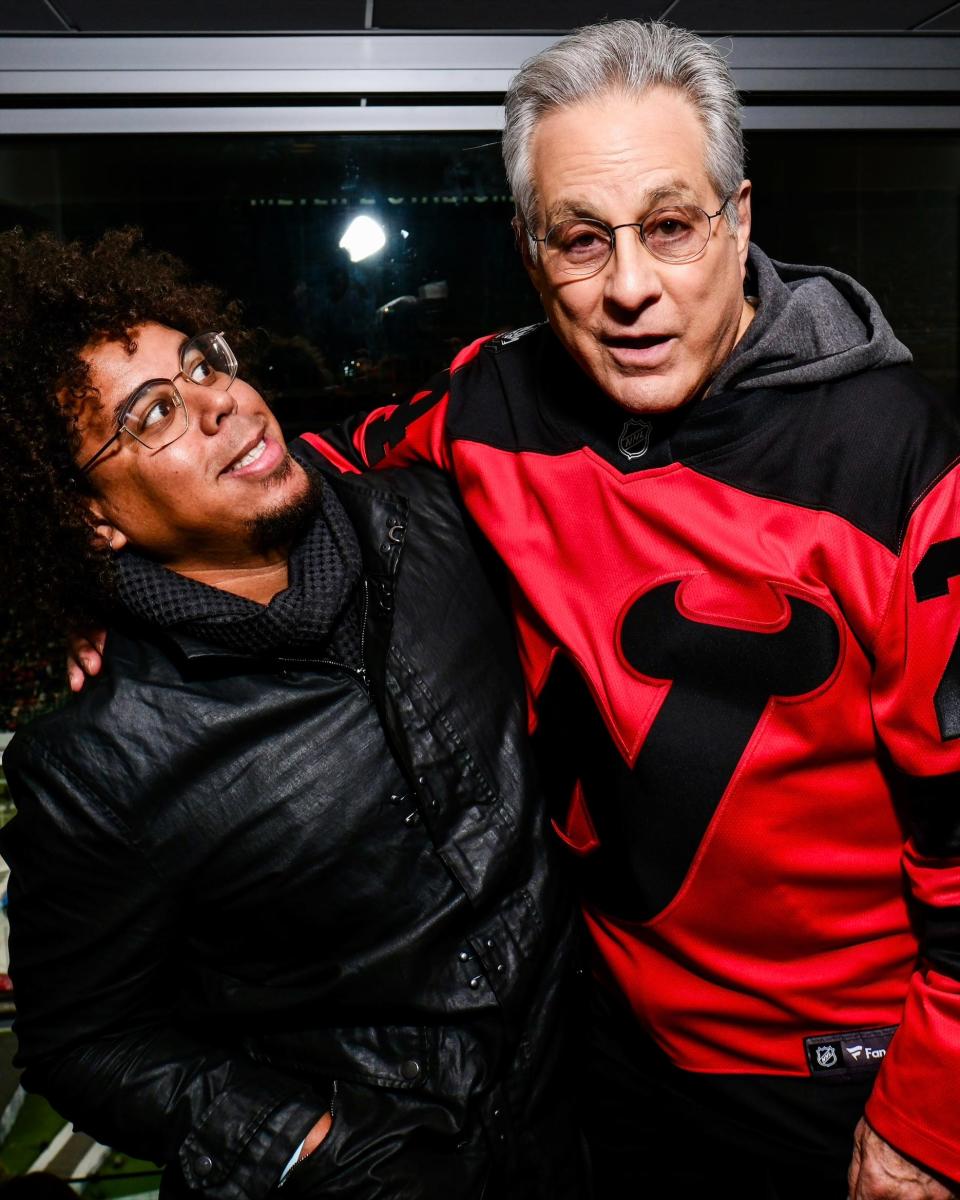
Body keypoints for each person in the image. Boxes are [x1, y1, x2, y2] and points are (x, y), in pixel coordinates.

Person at [299, 19, 960, 1200]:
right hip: (610, 1049)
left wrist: (928, 1116)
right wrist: (140, 586)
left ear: (740, 218)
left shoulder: (893, 456)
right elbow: (303, 478)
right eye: (581, 241)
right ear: (527, 246)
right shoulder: (491, 402)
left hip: (844, 1074)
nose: (632, 289)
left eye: (671, 228)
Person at [0, 228, 580, 1200]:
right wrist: (312, 1145)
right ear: (87, 516)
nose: (219, 401)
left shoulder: (441, 525)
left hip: (589, 1136)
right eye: (155, 412)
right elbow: (84, 1038)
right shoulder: (104, 752)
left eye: (203, 364)